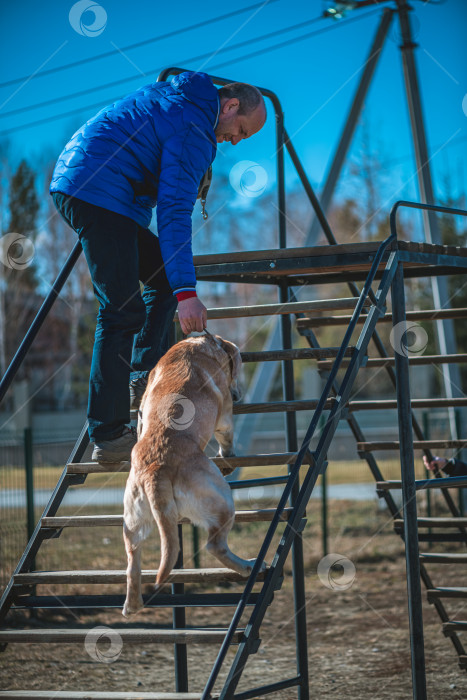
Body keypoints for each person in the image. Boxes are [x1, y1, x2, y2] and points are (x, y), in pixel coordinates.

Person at [50, 71, 266, 463]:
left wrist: (177, 286)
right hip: (97, 192)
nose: (235, 140)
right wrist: (188, 293)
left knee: (161, 280)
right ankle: (110, 433)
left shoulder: (174, 96)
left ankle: (143, 377)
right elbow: (173, 214)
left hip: (96, 187)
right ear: (231, 106)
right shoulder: (194, 131)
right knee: (120, 309)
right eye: (240, 130)